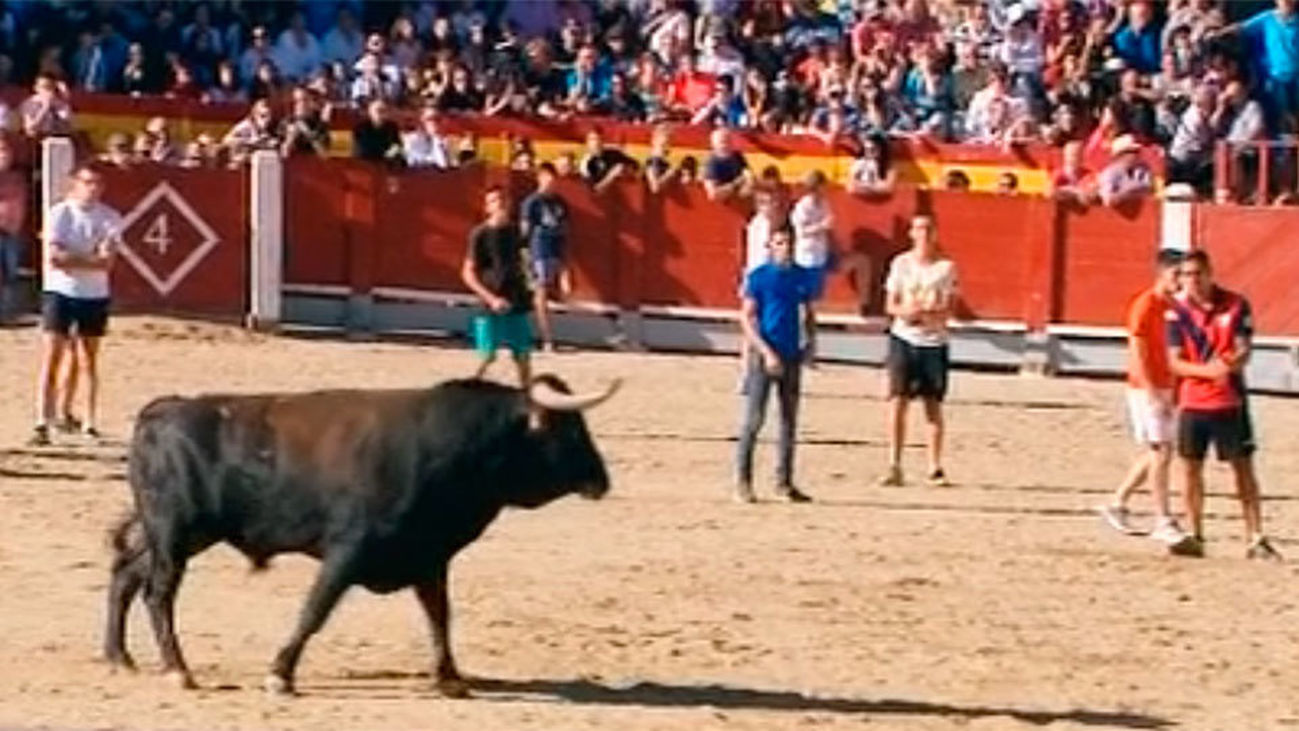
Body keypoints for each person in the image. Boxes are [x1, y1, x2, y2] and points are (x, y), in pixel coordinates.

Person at [1165, 250, 1281, 560]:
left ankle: (1255, 535)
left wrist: (1227, 366)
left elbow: (1244, 350)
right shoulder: (1176, 312)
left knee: (1242, 468)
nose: (1192, 280)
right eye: (1186, 274)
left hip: (1229, 399)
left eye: (1197, 273)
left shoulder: (1236, 304)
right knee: (1190, 468)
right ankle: (1195, 533)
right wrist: (1208, 371)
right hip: (1193, 400)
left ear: (1209, 273)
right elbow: (1174, 361)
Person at [1098, 249, 1196, 551]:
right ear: (1162, 273)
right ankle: (1162, 518)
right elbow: (1138, 352)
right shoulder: (1145, 304)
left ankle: (1117, 503)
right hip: (1146, 387)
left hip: (1165, 384)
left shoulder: (1173, 307)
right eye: (1176, 274)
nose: (1181, 281)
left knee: (1158, 449)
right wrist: (1152, 390)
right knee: (1161, 450)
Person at [31, 167, 122, 446]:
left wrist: (75, 259)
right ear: (74, 185)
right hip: (61, 291)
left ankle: (88, 421)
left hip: (93, 294)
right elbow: (55, 258)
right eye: (87, 182)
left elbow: (107, 262)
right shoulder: (59, 213)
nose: (93, 188)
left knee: (87, 359)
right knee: (52, 357)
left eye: (98, 183)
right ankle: (42, 420)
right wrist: (90, 259)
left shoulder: (110, 216)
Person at [734, 227, 816, 504]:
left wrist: (810, 342)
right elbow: (747, 318)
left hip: (791, 353)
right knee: (754, 420)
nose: (785, 248)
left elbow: (808, 313)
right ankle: (743, 482)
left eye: (789, 243)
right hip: (765, 354)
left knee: (788, 421)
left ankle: (784, 482)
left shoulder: (801, 276)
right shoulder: (759, 277)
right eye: (780, 243)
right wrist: (765, 351)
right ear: (770, 246)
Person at [880, 214, 959, 487]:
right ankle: (894, 464)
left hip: (934, 341)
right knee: (897, 402)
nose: (923, 234)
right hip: (904, 337)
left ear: (935, 234)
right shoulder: (900, 263)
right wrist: (905, 312)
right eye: (918, 229)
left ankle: (934, 466)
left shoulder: (946, 268)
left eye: (927, 229)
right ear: (911, 234)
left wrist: (927, 313)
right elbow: (890, 304)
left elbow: (950, 308)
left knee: (932, 405)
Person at [461, 186, 532, 387]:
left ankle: (527, 396)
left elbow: (525, 261)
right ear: (487, 207)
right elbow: (467, 272)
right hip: (490, 301)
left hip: (516, 297)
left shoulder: (517, 232)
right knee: (487, 355)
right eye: (493, 201)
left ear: (509, 204)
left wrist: (529, 283)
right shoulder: (480, 234)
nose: (499, 203)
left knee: (523, 355)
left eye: (502, 199)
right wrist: (491, 299)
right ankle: (468, 391)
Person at [520, 162, 570, 352]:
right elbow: (525, 232)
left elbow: (564, 232)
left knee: (546, 292)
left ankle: (543, 335)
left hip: (554, 250)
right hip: (538, 250)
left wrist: (564, 265)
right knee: (540, 291)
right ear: (539, 178)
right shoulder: (532, 202)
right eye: (547, 178)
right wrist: (526, 255)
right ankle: (546, 337)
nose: (550, 182)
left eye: (553, 178)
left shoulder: (560, 203)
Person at [789, 169, 834, 300]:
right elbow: (800, 232)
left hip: (820, 252)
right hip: (806, 255)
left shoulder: (824, 203)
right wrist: (821, 226)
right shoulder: (803, 207)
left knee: (815, 294)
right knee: (805, 293)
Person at [0, 138, 27, 323]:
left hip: (13, 231)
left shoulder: (18, 177)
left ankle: (5, 313)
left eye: (6, 150)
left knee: (10, 274)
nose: (4, 155)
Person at [702, 127, 753, 201]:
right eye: (722, 142)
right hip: (722, 201)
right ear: (713, 144)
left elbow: (748, 174)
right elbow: (713, 194)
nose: (725, 145)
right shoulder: (711, 162)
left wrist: (748, 184)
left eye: (727, 141)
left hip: (737, 195)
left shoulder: (737, 156)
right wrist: (735, 184)